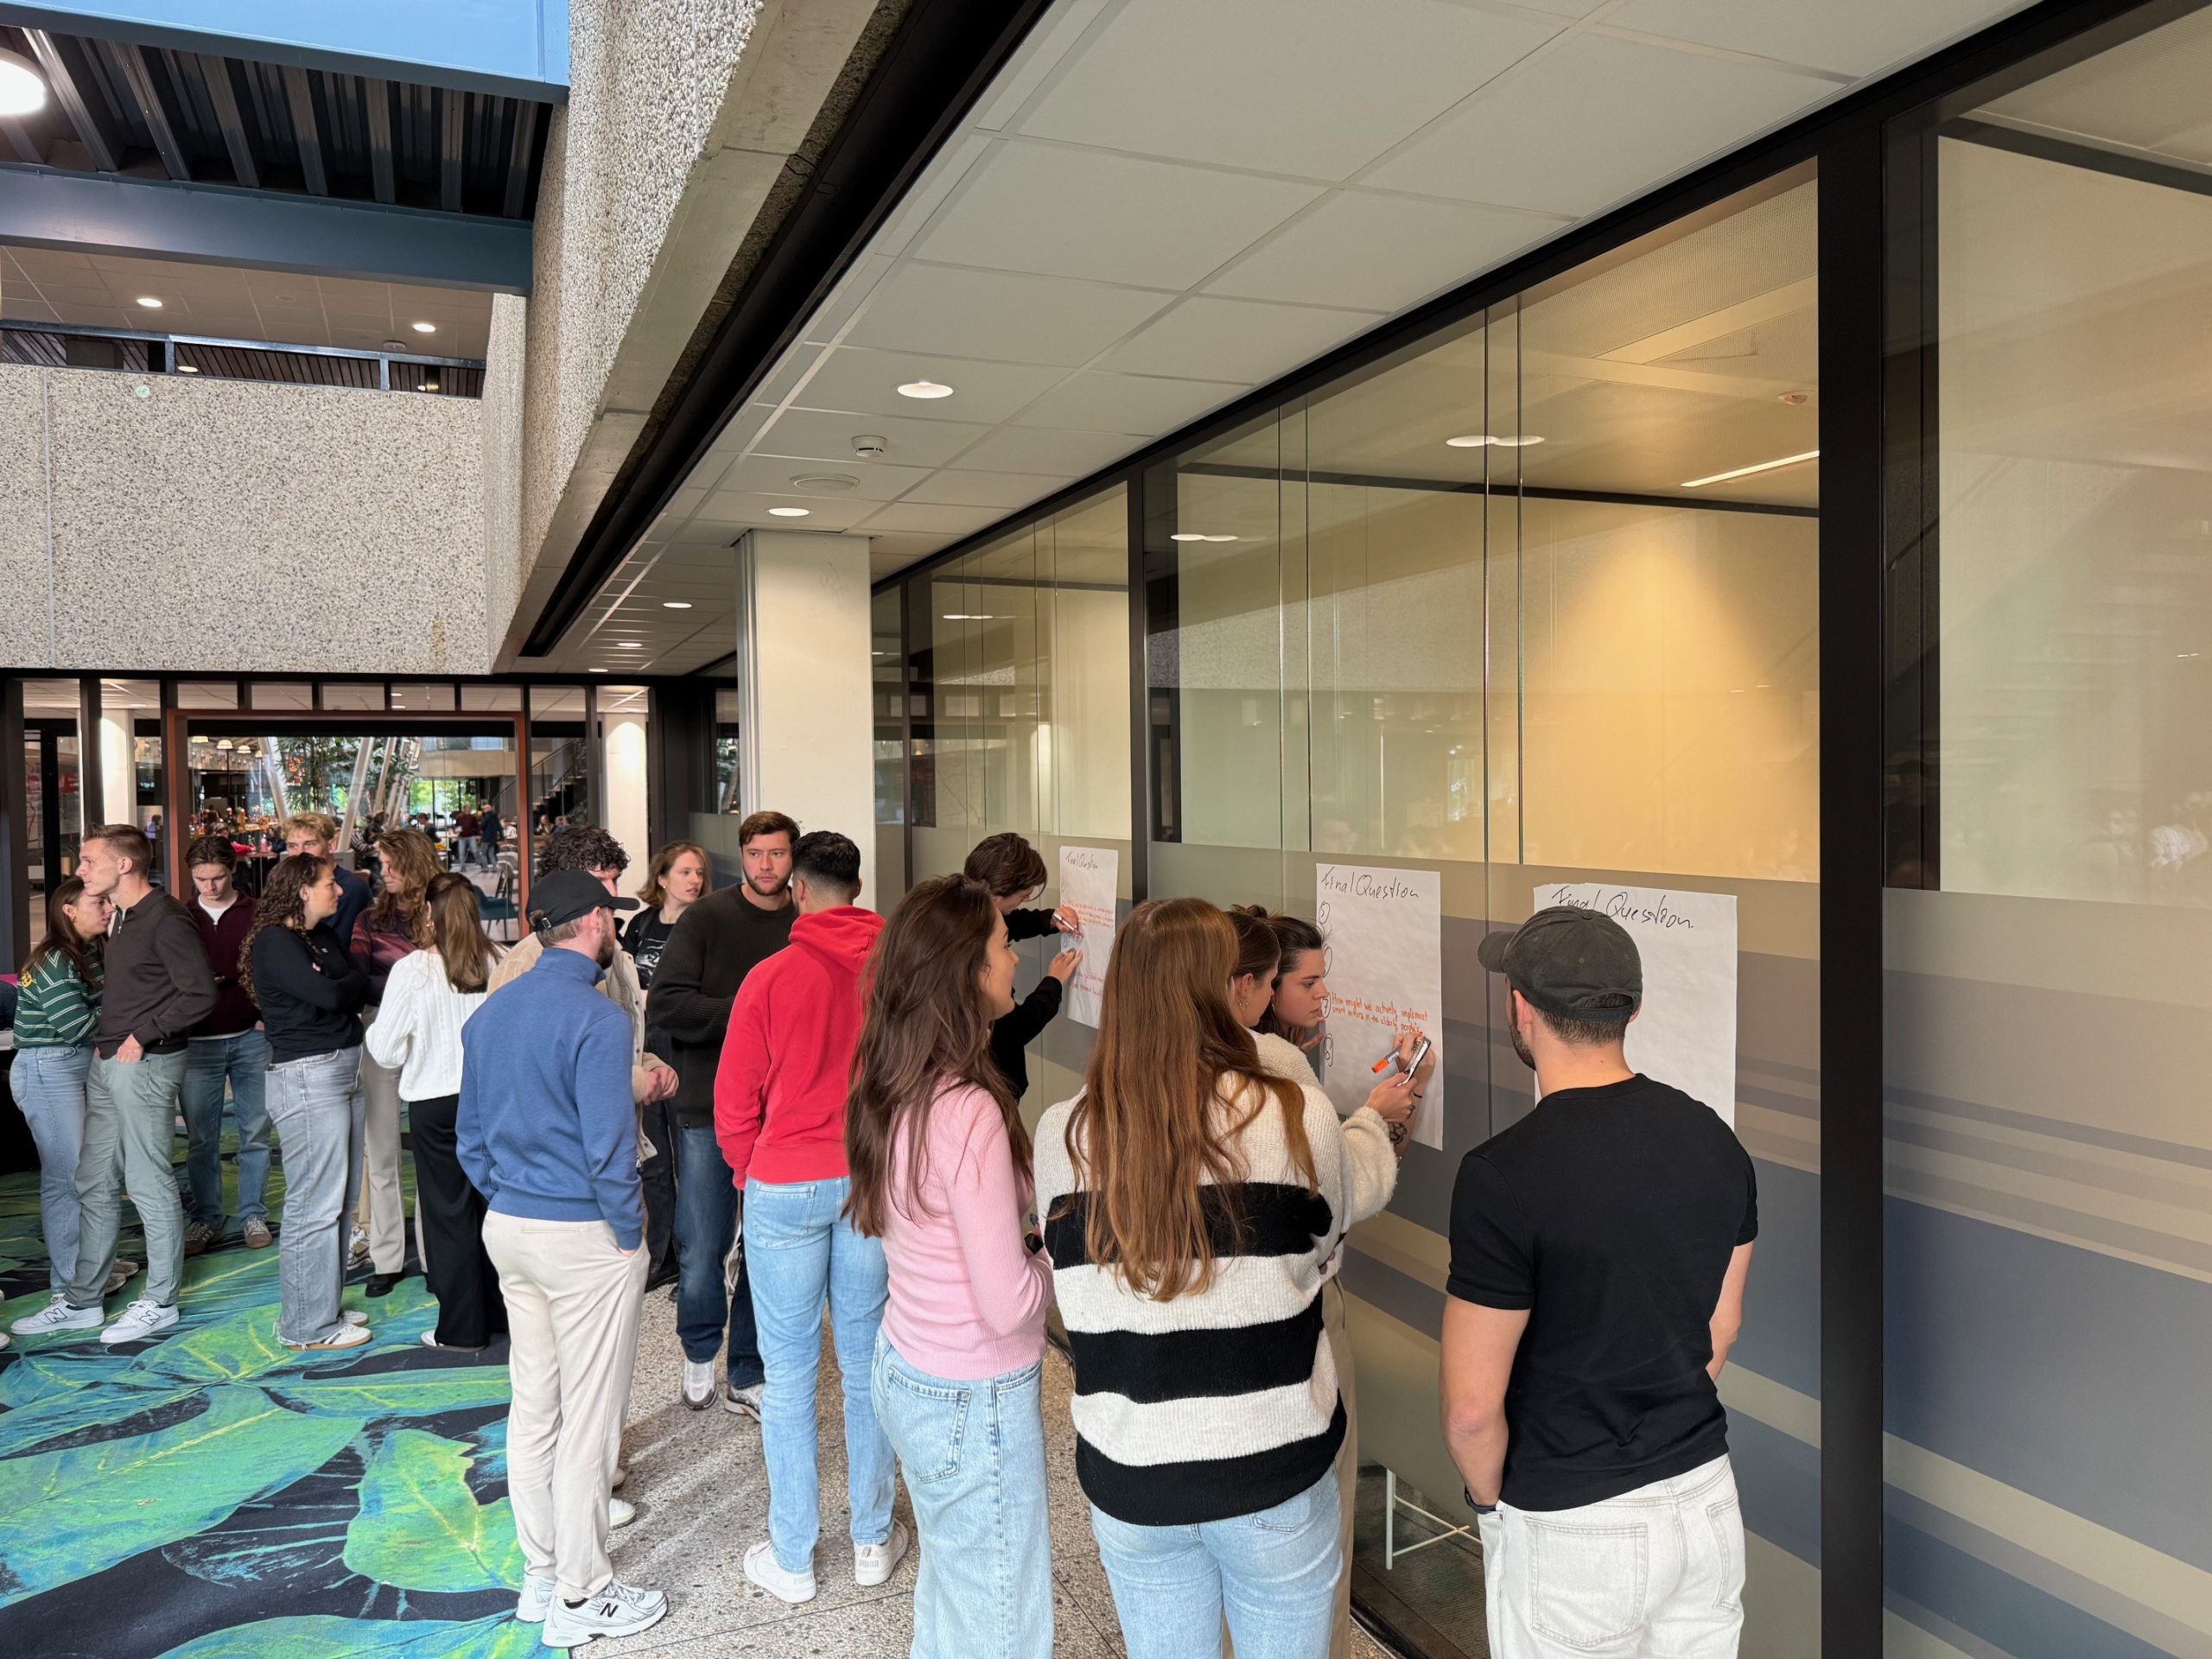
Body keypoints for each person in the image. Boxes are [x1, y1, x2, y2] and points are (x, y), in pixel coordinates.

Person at [1033, 897, 1403, 1658]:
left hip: (1132, 1471)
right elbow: (1325, 1238)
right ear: (1227, 989)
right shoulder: (1293, 1111)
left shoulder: (1062, 1132)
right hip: (1272, 1468)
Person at [1446, 906, 1758, 1659]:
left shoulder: (1501, 1175)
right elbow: (1722, 1326)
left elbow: (1471, 1412)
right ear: (1632, 1009)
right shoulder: (1714, 1138)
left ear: (1521, 1009)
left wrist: (1490, 1506)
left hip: (1574, 1522)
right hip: (1705, 1498)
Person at [847, 874, 1055, 1658]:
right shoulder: (966, 1108)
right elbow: (1008, 1302)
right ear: (968, 969)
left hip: (910, 1361)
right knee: (999, 1622)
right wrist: (1061, 1256)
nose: (1015, 959)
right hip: (974, 1389)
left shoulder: (895, 1075)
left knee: (955, 1590)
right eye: (1003, 944)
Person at [461, 869, 668, 1649]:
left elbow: (468, 1137)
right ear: (594, 921)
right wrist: (627, 1231)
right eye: (611, 914)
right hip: (583, 1235)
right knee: (589, 1417)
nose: (615, 926)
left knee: (535, 1406)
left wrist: (512, 1194)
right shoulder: (599, 1017)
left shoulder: (493, 1011)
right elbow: (609, 1148)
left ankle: (543, 1573)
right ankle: (584, 1590)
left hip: (511, 1224)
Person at [1228, 905, 1430, 1659]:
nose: (1323, 997)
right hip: (1298, 1313)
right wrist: (1381, 1116)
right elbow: (1340, 1197)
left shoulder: (1232, 1061)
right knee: (1320, 1520)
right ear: (1255, 988)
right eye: (1305, 983)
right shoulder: (1278, 1076)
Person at [715, 830, 904, 1604]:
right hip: (866, 1179)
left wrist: (747, 1170)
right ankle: (872, 1540)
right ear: (857, 887)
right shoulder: (897, 972)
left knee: (789, 1376)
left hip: (785, 1182)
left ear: (797, 889)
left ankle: (793, 1558)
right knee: (866, 1366)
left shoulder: (770, 976)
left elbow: (735, 1097)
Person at [21, 826, 216, 1345]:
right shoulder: (123, 918)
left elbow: (200, 994)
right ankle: (84, 1300)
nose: (80, 871)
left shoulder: (166, 917)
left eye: (89, 861)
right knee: (94, 1180)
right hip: (108, 1063)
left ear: (124, 865)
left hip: (144, 1064)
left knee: (149, 1181)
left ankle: (160, 1301)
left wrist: (142, 1036)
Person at [648, 810, 797, 1414]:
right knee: (703, 1245)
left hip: (782, 1114)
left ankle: (747, 1369)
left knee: (766, 1250)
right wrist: (748, 1010)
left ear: (793, 858)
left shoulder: (803, 921)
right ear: (742, 856)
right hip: (707, 1109)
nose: (766, 865)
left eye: (778, 853)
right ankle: (699, 1349)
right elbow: (667, 1005)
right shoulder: (705, 918)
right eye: (756, 854)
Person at [366, 872, 504, 1352]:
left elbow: (384, 1050)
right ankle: (502, 1315)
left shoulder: (413, 971)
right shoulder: (501, 960)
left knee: (448, 1216)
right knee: (493, 1209)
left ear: (428, 912)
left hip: (435, 1103)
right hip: (492, 1101)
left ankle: (462, 1330)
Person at [245, 854, 375, 1351]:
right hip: (307, 1077)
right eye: (329, 883)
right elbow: (337, 994)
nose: (339, 890)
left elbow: (352, 983)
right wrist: (343, 985)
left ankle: (322, 1307)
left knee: (340, 1199)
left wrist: (342, 984)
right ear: (302, 890)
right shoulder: (275, 942)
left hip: (342, 1069)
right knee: (313, 1204)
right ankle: (306, 1326)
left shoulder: (320, 936)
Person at [7, 878, 137, 1343]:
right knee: (66, 1180)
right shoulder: (54, 959)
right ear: (69, 910)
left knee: (91, 1173)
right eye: (97, 902)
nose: (107, 908)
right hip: (50, 1068)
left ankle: (91, 1267)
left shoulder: (91, 951)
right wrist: (133, 1008)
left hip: (77, 1064)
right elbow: (78, 1026)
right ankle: (68, 1289)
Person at [352, 825, 441, 1296]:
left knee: (431, 1150)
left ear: (413, 864)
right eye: (381, 864)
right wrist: (413, 987)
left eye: (390, 865)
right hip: (380, 1029)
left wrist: (406, 989)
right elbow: (359, 978)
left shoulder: (444, 911)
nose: (382, 872)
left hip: (435, 1032)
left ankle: (432, 1254)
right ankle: (387, 1257)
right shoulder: (370, 919)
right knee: (381, 1149)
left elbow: (463, 966)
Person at [621, 839, 710, 1291]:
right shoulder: (642, 924)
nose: (694, 880)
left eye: (699, 873)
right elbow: (623, 983)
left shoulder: (705, 925)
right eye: (685, 872)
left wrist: (653, 997)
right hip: (645, 1044)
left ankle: (696, 1262)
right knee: (653, 1158)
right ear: (662, 878)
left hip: (686, 1048)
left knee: (692, 1160)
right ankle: (664, 1254)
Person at [181, 835, 274, 1255]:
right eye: (201, 879)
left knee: (255, 1132)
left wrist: (265, 1015)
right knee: (201, 1139)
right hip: (198, 1039)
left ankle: (253, 1212)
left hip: (250, 1035)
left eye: (217, 877)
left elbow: (271, 967)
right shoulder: (182, 917)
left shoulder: (256, 912)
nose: (210, 886)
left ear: (232, 871)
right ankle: (207, 1217)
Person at [960, 832, 1081, 1100]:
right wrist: (1053, 983)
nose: (1014, 958)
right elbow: (1013, 1029)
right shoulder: (973, 964)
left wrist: (1049, 919)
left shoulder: (961, 916)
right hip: (994, 1088)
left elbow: (1011, 923)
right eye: (1024, 896)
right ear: (995, 896)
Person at [284, 811, 372, 944]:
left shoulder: (349, 889)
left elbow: (331, 945)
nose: (300, 853)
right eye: (293, 846)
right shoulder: (288, 885)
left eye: (309, 844)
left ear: (331, 846)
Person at [454, 804, 482, 871]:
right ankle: (463, 867)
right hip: (462, 837)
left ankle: (480, 862)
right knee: (461, 853)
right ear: (464, 809)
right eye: (467, 808)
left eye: (470, 808)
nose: (469, 809)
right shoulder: (459, 817)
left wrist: (479, 835)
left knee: (475, 851)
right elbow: (456, 825)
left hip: (471, 837)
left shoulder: (472, 817)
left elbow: (477, 826)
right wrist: (456, 830)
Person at [480, 803, 505, 869]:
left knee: (483, 854)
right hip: (493, 838)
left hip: (486, 838)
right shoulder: (495, 817)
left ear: (488, 809)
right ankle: (494, 867)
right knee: (491, 854)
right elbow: (499, 827)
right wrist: (502, 836)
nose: (483, 810)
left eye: (484, 809)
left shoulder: (486, 817)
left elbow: (482, 826)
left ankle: (485, 868)